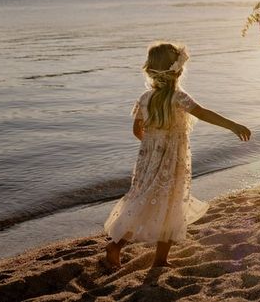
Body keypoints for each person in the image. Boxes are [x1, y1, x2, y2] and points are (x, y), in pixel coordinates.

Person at [104, 42, 251, 268]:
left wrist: (153, 145)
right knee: (171, 204)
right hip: (173, 162)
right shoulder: (179, 97)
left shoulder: (145, 98)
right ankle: (160, 259)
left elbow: (136, 130)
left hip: (148, 162)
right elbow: (203, 113)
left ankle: (117, 244)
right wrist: (233, 126)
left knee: (142, 202)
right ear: (178, 70)